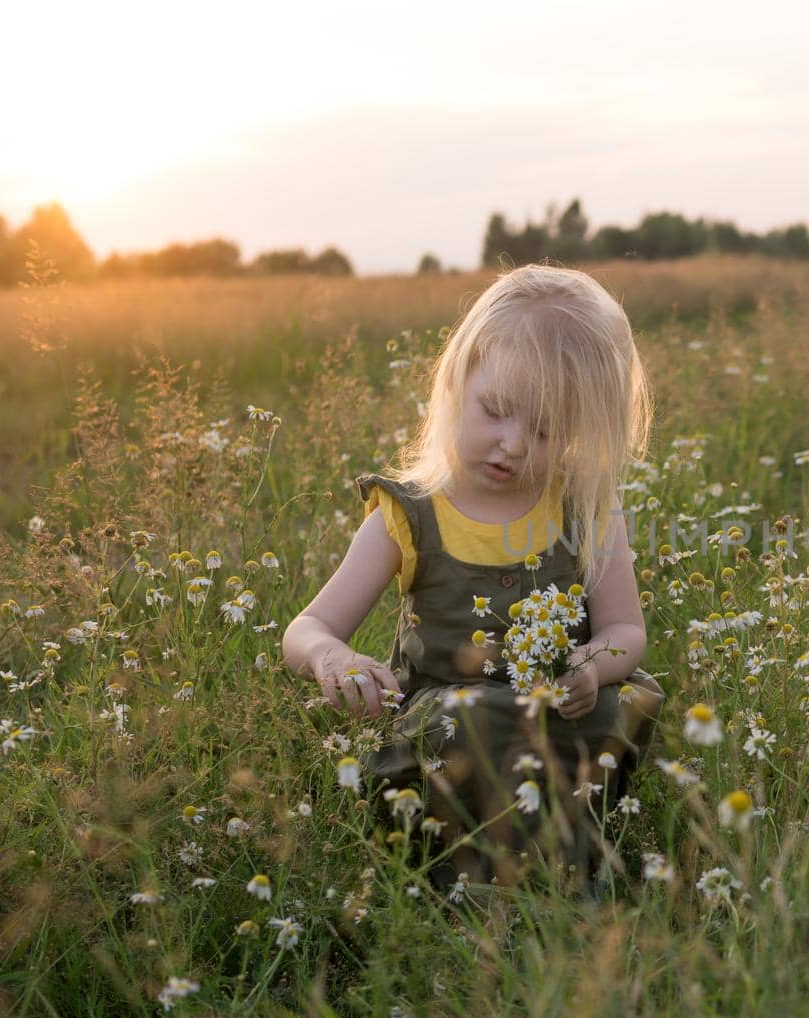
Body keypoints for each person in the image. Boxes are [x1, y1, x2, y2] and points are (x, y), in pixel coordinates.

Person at [282, 264, 662, 888]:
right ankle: (461, 871)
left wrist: (593, 665)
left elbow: (626, 629)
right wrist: (331, 658)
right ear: (458, 380)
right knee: (474, 720)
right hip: (447, 729)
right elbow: (310, 626)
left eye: (545, 429)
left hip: (558, 711)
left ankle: (568, 855)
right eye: (497, 411)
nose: (512, 444)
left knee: (619, 708)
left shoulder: (584, 511)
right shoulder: (407, 516)